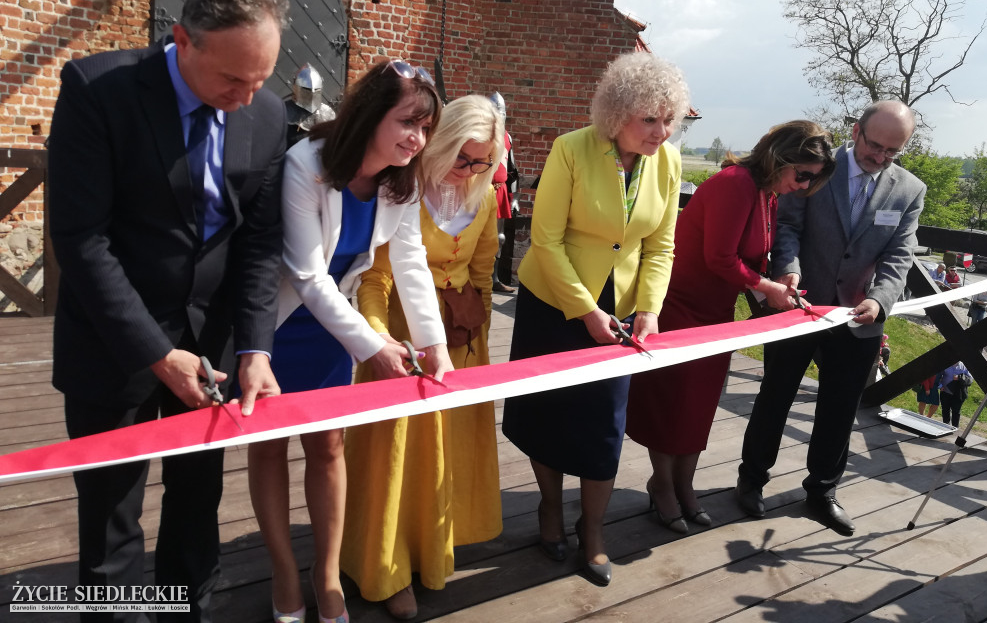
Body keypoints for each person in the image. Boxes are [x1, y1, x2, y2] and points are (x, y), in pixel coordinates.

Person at [48, 0, 289, 623]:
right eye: (233, 80)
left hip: (211, 346)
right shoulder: (99, 91)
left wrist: (257, 346)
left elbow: (259, 243)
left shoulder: (266, 115)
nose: (246, 99)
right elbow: (80, 238)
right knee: (110, 518)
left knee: (196, 503)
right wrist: (158, 353)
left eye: (260, 80)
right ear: (183, 41)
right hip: (113, 342)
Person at [248, 60, 451, 623]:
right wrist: (372, 345)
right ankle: (285, 572)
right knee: (269, 447)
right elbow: (307, 276)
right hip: (281, 324)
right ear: (370, 114)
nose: (417, 138)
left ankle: (327, 572)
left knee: (328, 447)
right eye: (407, 121)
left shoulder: (401, 179)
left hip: (335, 330)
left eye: (426, 127)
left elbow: (409, 261)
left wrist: (431, 342)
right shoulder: (305, 164)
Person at [502, 52, 687, 587]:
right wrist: (584, 309)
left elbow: (662, 245)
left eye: (668, 118)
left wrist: (649, 308)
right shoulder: (571, 149)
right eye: (648, 119)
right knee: (546, 412)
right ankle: (549, 510)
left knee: (605, 421)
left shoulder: (669, 162)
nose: (662, 131)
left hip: (625, 308)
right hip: (555, 302)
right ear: (617, 113)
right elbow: (545, 239)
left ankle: (596, 530)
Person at [342, 94, 505, 620]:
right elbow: (375, 277)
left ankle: (431, 552)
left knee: (443, 454)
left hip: (458, 340)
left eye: (483, 162)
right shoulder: (400, 191)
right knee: (395, 457)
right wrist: (375, 340)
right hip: (398, 337)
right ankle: (385, 568)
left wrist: (476, 342)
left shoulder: (480, 197)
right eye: (464, 158)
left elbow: (482, 273)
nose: (472, 170)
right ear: (440, 143)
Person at [627, 121, 835, 532]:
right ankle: (663, 485)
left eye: (814, 179)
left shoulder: (766, 192)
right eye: (803, 174)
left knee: (701, 404)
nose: (805, 185)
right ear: (781, 158)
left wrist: (780, 280)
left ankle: (685, 485)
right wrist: (766, 286)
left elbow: (752, 255)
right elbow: (719, 257)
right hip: (679, 306)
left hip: (716, 310)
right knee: (673, 403)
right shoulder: (735, 183)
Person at [735, 99, 926, 536]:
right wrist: (789, 271)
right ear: (856, 130)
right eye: (874, 146)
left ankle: (822, 490)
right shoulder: (817, 166)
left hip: (857, 318)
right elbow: (787, 227)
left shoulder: (910, 189)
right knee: (775, 396)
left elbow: (900, 255)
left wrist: (880, 301)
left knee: (840, 409)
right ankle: (751, 479)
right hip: (798, 305)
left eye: (891, 152)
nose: (880, 158)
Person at [490, 92, 519, 293]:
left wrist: (515, 197)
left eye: (503, 112)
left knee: (499, 237)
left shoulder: (507, 137)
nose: (500, 115)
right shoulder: (480, 133)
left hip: (500, 192)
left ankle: (494, 278)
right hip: (481, 191)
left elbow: (512, 170)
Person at [939, 361, 972, 427]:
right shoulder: (946, 364)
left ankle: (955, 427)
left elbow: (970, 379)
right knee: (945, 409)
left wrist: (959, 378)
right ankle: (945, 425)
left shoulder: (963, 366)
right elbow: (938, 375)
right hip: (945, 391)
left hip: (958, 393)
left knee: (956, 411)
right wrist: (940, 385)